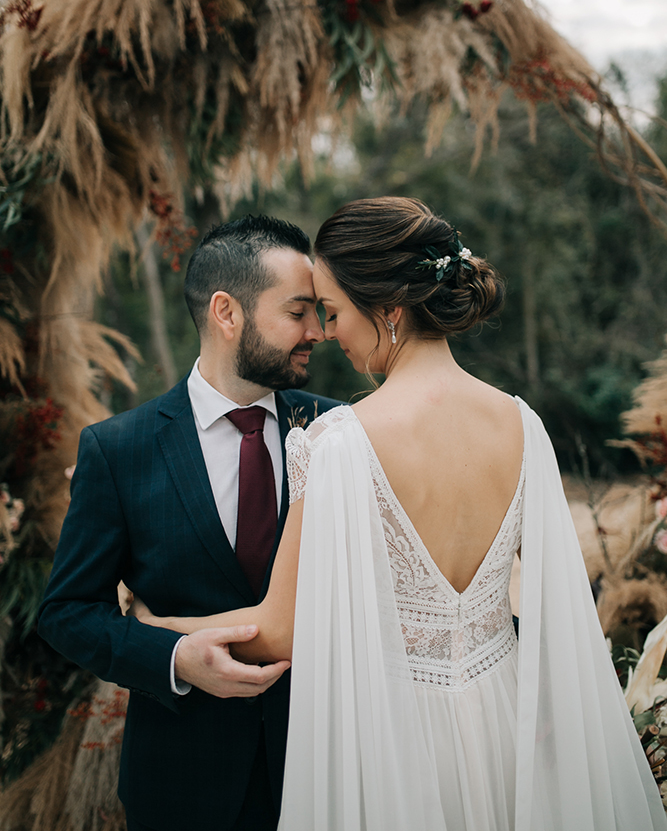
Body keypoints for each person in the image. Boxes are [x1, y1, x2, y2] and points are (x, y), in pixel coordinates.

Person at [131, 197, 667, 831]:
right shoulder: (522, 424)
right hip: (502, 723)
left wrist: (157, 623)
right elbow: (559, 606)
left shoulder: (339, 442)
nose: (326, 333)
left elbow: (279, 632)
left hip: (394, 742)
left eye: (331, 313)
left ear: (386, 311)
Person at [38, 215, 341, 831]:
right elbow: (68, 611)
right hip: (181, 783)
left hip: (328, 767)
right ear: (227, 313)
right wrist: (173, 657)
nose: (318, 331)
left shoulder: (340, 430)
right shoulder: (117, 449)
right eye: (298, 312)